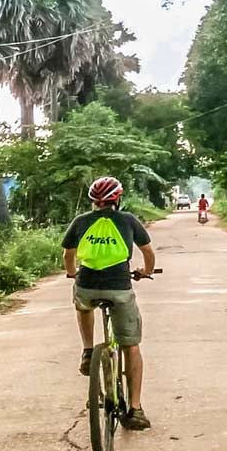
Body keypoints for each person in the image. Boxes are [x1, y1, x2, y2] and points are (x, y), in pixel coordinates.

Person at [62, 176, 156, 431]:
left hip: (87, 286)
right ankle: (135, 409)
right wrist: (145, 271)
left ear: (93, 200)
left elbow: (68, 255)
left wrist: (73, 273)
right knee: (132, 347)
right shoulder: (128, 220)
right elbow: (148, 252)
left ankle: (88, 350)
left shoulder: (81, 221)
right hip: (120, 288)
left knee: (83, 305)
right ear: (118, 198)